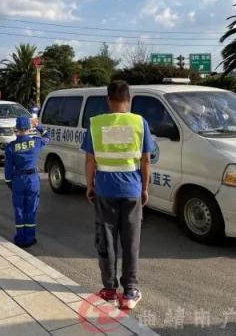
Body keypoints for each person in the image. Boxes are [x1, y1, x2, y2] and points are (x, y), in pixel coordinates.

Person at [81, 80, 158, 311]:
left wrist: (89, 185)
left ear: (108, 100)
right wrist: (145, 188)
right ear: (129, 99)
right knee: (131, 241)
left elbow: (90, 160)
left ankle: (110, 291)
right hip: (132, 190)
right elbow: (146, 160)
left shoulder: (96, 124)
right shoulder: (139, 122)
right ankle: (131, 291)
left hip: (104, 189)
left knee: (106, 240)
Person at [4, 116, 50, 248]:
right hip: (32, 180)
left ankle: (20, 237)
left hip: (18, 179)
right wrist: (38, 126)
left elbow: (8, 168)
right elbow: (48, 136)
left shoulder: (11, 147)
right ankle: (30, 238)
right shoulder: (36, 142)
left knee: (19, 209)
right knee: (31, 209)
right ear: (29, 128)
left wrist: (9, 182)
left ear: (16, 129)